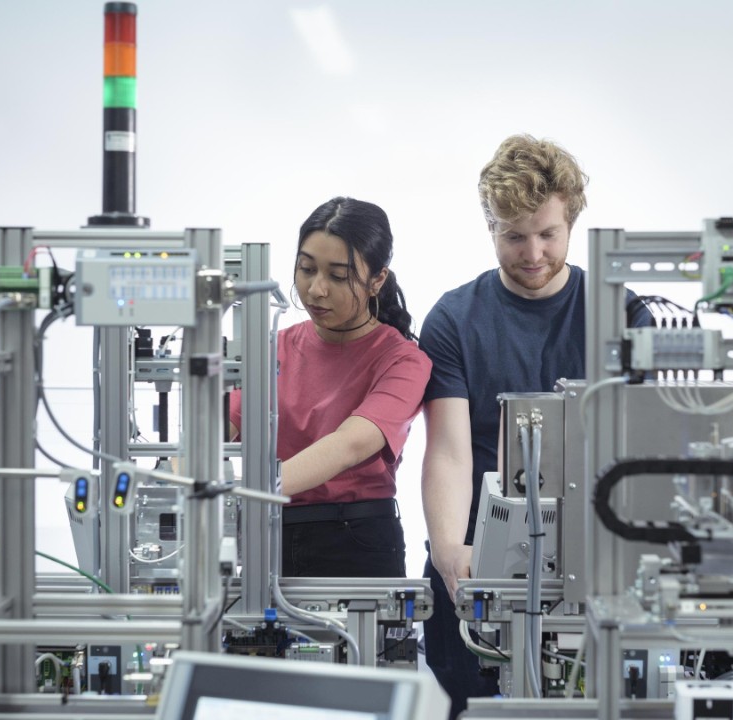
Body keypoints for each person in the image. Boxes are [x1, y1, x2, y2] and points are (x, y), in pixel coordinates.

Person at [418, 135, 653, 714]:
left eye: (547, 234)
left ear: (572, 221)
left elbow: (646, 450)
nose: (532, 253)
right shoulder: (453, 318)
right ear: (489, 226)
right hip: (479, 561)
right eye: (513, 234)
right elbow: (449, 451)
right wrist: (452, 551)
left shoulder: (620, 315)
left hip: (594, 561)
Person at [229, 197, 431, 578]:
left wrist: (242, 492)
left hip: (356, 541)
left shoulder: (403, 360)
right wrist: (167, 485)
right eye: (306, 269)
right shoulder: (273, 347)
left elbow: (349, 445)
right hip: (268, 533)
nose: (316, 290)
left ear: (378, 280)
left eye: (338, 277)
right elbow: (218, 431)